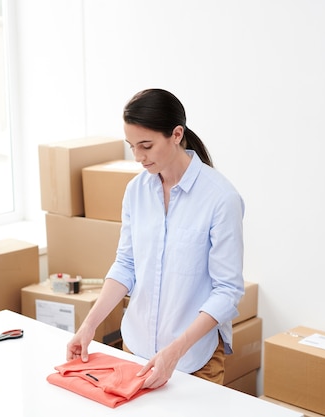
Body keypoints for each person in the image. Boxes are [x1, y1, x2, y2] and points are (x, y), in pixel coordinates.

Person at [66, 88, 245, 389]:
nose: (138, 157)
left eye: (146, 145)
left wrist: (175, 351)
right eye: (131, 146)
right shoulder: (136, 192)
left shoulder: (220, 199)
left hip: (192, 361)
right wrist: (89, 326)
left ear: (176, 134)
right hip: (135, 351)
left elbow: (227, 291)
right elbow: (126, 265)